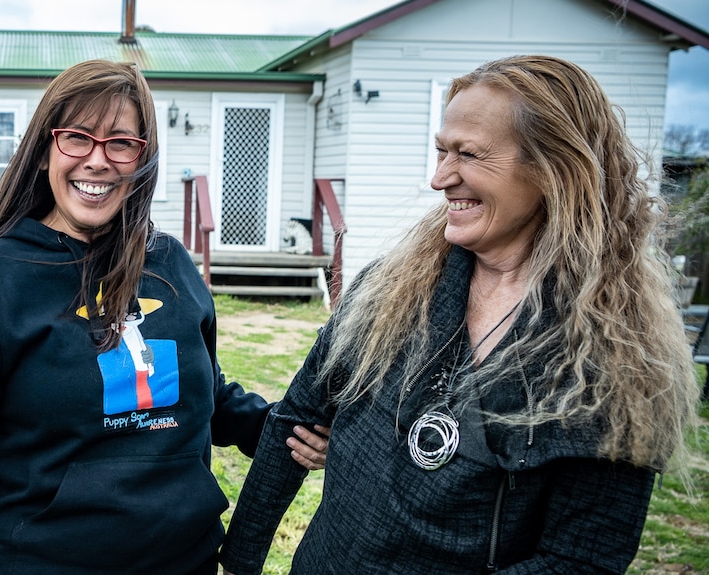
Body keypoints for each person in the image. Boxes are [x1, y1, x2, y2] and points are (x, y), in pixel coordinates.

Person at [220, 54, 700, 574]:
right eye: (441, 151)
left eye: (468, 154)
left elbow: (581, 558)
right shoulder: (389, 289)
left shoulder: (614, 353)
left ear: (554, 169)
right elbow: (294, 420)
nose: (440, 178)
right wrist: (242, 558)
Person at [0, 59, 328, 575]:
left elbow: (201, 391)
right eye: (77, 138)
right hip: (50, 562)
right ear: (46, 148)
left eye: (120, 143)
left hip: (186, 559)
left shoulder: (170, 263)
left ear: (142, 158)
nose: (98, 161)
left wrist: (275, 427)